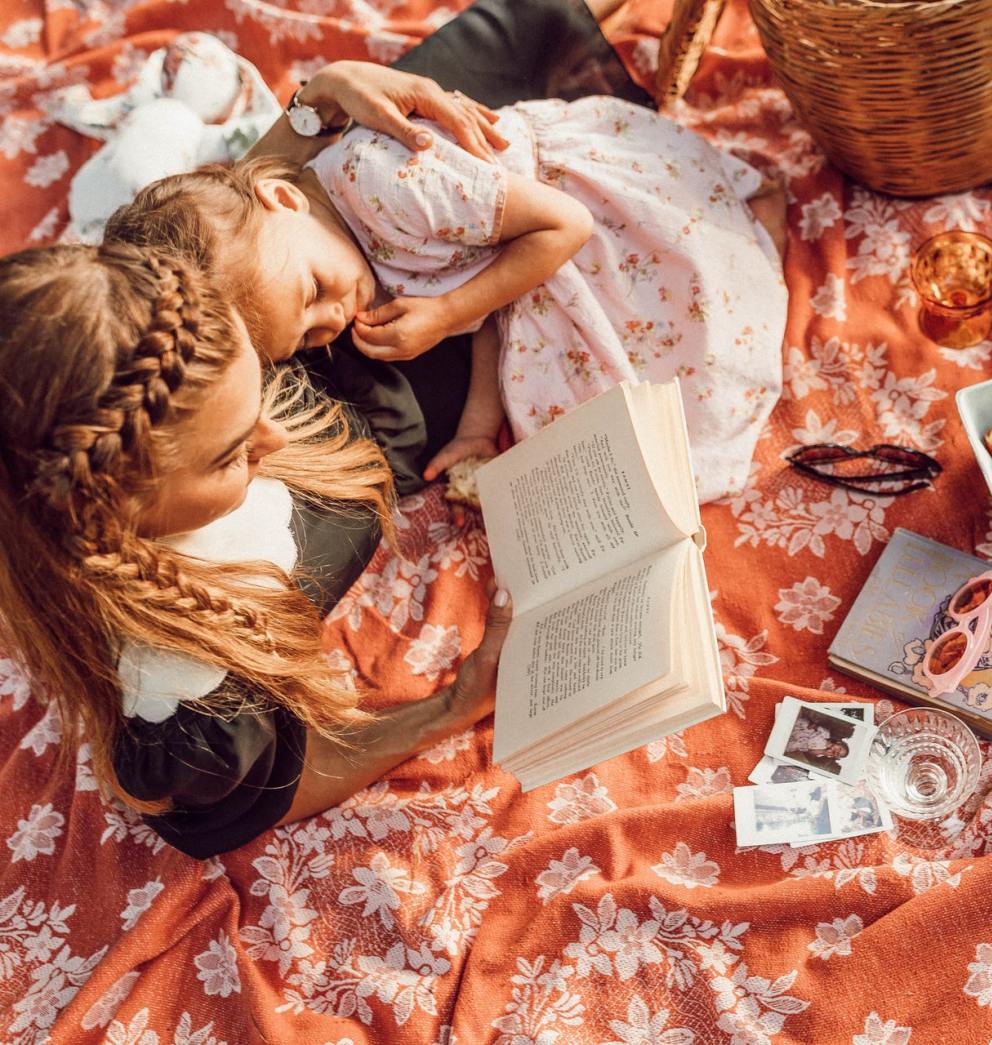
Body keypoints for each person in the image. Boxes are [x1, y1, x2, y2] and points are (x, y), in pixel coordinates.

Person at [0, 52, 585, 858]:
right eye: (233, 455)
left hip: (361, 294)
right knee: (564, 153)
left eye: (257, 381)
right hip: (414, 390)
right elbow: (268, 792)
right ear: (116, 518)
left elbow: (239, 245)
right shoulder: (184, 706)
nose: (272, 438)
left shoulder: (145, 348)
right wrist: (456, 703)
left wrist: (312, 109)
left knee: (509, 64)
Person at [105, 95, 788, 502]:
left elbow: (564, 228)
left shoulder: (385, 182)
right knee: (590, 430)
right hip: (526, 262)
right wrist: (472, 429)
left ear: (284, 197)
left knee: (700, 320)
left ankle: (759, 228)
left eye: (314, 294)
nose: (333, 318)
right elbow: (491, 301)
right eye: (310, 337)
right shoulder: (327, 251)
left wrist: (445, 314)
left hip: (579, 211)